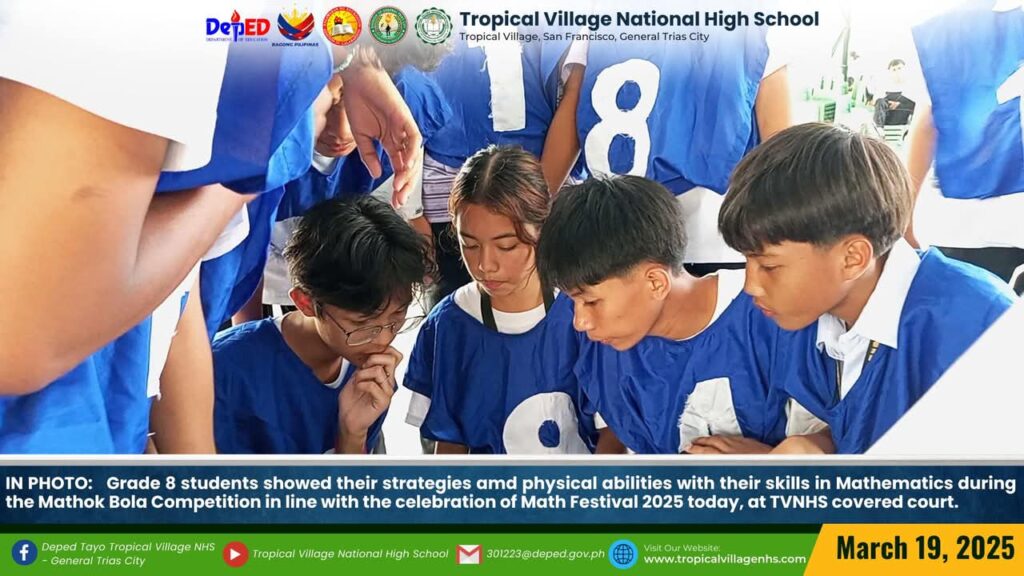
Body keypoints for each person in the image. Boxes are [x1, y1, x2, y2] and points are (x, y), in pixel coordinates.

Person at [0, 2, 424, 453]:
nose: (383, 339)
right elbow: (22, 341)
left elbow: (178, 290)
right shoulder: (142, 29)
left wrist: (348, 62)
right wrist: (248, 174)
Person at [719, 123, 1016, 454]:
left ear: (852, 258)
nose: (751, 286)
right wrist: (813, 447)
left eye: (770, 266)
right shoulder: (815, 314)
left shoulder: (979, 325)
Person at [537, 175, 827, 455]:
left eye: (590, 301)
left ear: (655, 283)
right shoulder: (608, 352)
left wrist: (769, 462)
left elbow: (838, 439)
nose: (580, 322)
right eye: (573, 302)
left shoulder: (774, 314)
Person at [552, 6, 792, 276]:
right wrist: (534, 212)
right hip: (620, 232)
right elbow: (573, 107)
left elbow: (779, 144)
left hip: (714, 233)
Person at [404, 146, 600, 454]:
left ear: (544, 229)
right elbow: (449, 446)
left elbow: (613, 434)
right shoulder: (448, 324)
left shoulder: (585, 312)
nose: (485, 265)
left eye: (506, 246)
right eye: (469, 244)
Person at [213, 196, 430, 454]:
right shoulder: (225, 374)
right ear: (305, 302)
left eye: (397, 318)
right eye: (362, 324)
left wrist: (353, 434)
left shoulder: (372, 377)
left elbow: (353, 480)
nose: (384, 340)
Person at [905, 0, 1024, 289]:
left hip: (968, 227)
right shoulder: (950, 31)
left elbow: (928, 123)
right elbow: (929, 122)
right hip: (966, 227)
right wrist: (904, 219)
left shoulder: (950, 30)